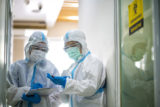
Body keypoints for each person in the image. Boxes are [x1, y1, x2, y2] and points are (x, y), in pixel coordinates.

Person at [47, 30, 106, 107]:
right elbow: (66, 99)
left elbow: (90, 87)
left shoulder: (93, 62)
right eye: (67, 47)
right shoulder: (72, 67)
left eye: (72, 45)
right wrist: (62, 86)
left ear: (82, 43)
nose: (70, 49)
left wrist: (67, 83)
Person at [7, 31, 60, 107]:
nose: (39, 51)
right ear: (29, 47)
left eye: (43, 49)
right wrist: (26, 92)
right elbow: (8, 92)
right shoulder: (17, 67)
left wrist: (42, 100)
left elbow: (58, 95)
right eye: (36, 47)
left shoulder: (51, 68)